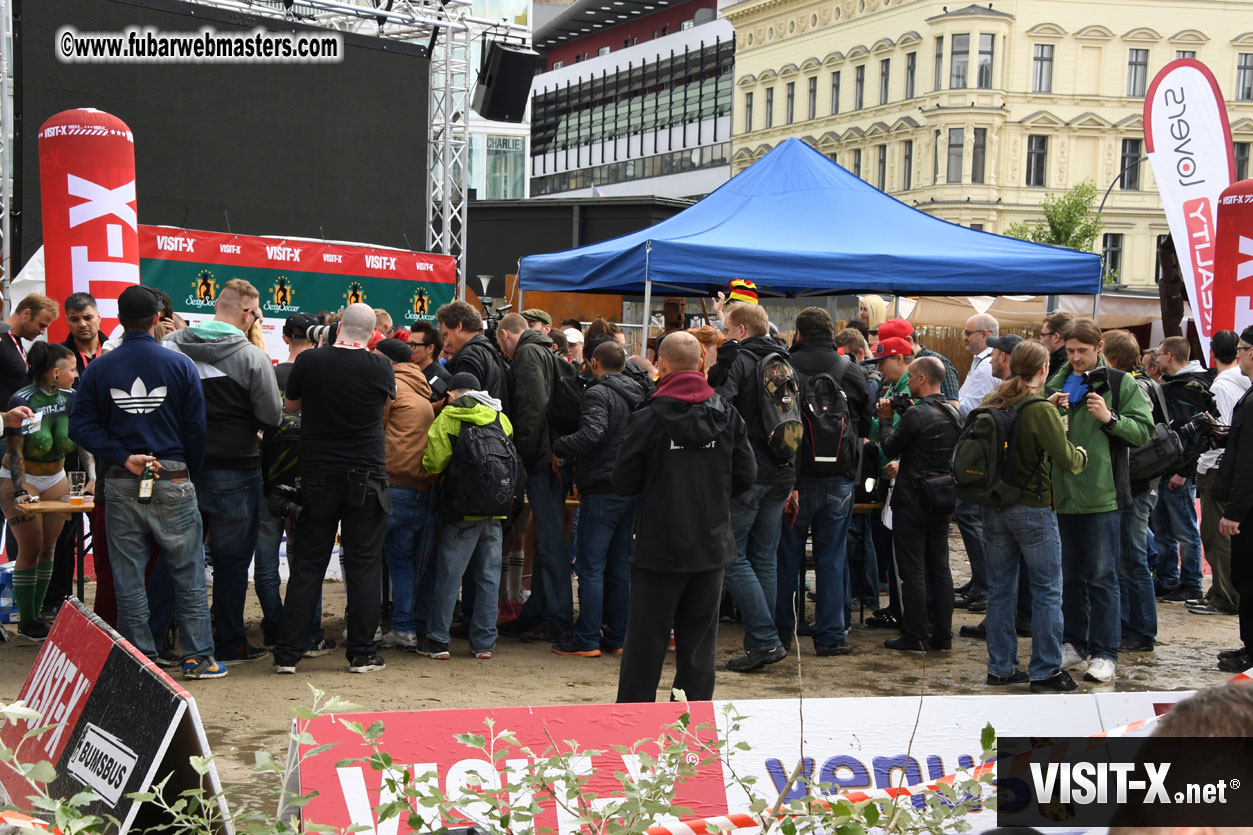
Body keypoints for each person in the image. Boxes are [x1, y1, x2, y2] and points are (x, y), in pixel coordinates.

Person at [68, 286, 224, 679]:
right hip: (172, 476)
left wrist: (122, 456)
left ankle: (139, 660)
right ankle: (197, 657)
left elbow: (79, 427)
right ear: (157, 319)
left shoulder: (100, 367)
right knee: (187, 571)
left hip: (122, 480)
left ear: (117, 321)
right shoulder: (181, 365)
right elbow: (197, 430)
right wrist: (189, 472)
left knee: (128, 574)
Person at [614, 332, 755, 700]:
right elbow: (747, 474)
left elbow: (624, 479)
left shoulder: (648, 418)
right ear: (702, 363)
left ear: (661, 365)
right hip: (708, 545)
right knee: (697, 646)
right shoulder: (727, 414)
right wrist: (711, 495)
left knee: (646, 643)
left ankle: (634, 726)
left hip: (659, 547)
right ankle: (691, 732)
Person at [271, 303, 396, 675]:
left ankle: (287, 655)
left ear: (339, 326)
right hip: (366, 475)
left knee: (307, 565)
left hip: (317, 474)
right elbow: (385, 406)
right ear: (374, 334)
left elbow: (291, 405)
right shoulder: (380, 364)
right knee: (363, 566)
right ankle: (361, 653)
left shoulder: (310, 361)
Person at [164, 278, 282, 663]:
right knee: (231, 564)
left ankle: (162, 640)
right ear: (248, 314)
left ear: (217, 305)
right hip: (235, 468)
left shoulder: (171, 346)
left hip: (180, 467)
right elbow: (271, 415)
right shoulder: (252, 357)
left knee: (177, 556)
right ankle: (230, 642)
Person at [1046, 318, 1153, 684]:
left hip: (1103, 495)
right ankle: (1074, 643)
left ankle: (1105, 652)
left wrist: (1110, 419)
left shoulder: (1121, 383)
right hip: (1062, 495)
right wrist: (1048, 406)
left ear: (1099, 348)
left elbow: (1144, 431)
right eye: (1071, 351)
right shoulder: (1056, 382)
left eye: (1083, 351)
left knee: (1103, 577)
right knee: (1070, 577)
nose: (1076, 358)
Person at [979, 341, 1087, 692]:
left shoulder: (994, 400)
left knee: (1000, 589)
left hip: (993, 507)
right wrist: (1081, 451)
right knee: (1046, 590)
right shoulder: (1039, 409)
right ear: (1043, 370)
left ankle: (1001, 667)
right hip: (1031, 507)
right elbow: (1068, 461)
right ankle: (1044, 670)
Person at [775, 307, 870, 656]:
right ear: (832, 332)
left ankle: (781, 634)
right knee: (832, 558)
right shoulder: (849, 369)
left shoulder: (786, 367)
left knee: (785, 557)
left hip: (794, 477)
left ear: (798, 334)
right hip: (839, 478)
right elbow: (866, 413)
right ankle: (831, 636)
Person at [711, 303, 796, 672]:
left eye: (728, 328)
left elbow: (717, 408)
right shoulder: (785, 360)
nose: (725, 335)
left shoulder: (741, 361)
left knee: (730, 555)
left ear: (741, 330)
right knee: (763, 558)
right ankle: (770, 638)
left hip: (748, 473)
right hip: (782, 471)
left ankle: (763, 639)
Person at [551, 341, 646, 657]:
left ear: (594, 362)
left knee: (591, 566)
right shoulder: (639, 392)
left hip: (603, 487)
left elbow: (592, 433)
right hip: (630, 486)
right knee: (619, 566)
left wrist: (559, 447)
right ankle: (617, 637)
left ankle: (587, 638)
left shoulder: (596, 392)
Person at [421, 371, 515, 660]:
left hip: (460, 510)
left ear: (451, 394)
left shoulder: (448, 417)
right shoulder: (501, 418)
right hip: (495, 509)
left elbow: (434, 462)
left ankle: (438, 641)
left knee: (450, 575)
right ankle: (484, 643)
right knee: (488, 576)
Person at [3, 344, 88, 640]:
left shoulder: (72, 398)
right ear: (55, 372)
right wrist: (17, 491)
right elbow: (15, 453)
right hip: (21, 477)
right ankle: (27, 620)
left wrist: (90, 477)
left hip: (57, 476)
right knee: (31, 547)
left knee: (50, 548)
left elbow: (81, 440)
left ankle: (39, 614)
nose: (76, 375)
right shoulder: (22, 400)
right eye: (72, 369)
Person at [495, 313, 571, 642]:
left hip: (541, 458)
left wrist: (522, 456)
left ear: (506, 336)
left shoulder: (527, 353)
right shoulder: (544, 350)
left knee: (550, 541)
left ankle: (555, 619)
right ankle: (541, 612)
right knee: (547, 540)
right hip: (550, 455)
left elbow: (531, 407)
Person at [877, 356, 960, 653]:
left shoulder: (916, 415)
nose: (908, 382)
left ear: (922, 379)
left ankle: (914, 634)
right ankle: (942, 634)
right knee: (940, 568)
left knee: (912, 570)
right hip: (942, 495)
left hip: (912, 498)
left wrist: (886, 419)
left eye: (911, 377)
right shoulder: (952, 411)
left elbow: (889, 447)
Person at [1101, 330, 1164, 653]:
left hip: (1134, 484)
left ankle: (1140, 630)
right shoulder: (1144, 382)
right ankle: (1134, 626)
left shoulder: (1132, 386)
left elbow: (1134, 433)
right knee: (1130, 555)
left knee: (1131, 558)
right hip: (1140, 482)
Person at [375, 338, 436, 650]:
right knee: (402, 563)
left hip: (389, 485)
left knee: (368, 559)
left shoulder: (391, 388)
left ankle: (368, 627)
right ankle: (404, 629)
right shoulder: (422, 389)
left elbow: (374, 428)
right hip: (418, 488)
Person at [1152, 335, 1215, 602]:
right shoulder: (1176, 385)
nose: (1155, 358)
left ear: (1169, 356)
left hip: (1178, 471)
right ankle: (1168, 579)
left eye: (1158, 353)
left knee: (1184, 530)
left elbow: (1198, 437)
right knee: (1163, 530)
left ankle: (1190, 582)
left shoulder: (1190, 388)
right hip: (1163, 469)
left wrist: (1184, 472)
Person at [1193, 330, 1249, 616]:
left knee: (1219, 536)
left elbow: (1227, 432)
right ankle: (1220, 592)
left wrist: (1211, 428)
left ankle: (1225, 596)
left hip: (1218, 466)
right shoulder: (1243, 383)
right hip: (1225, 467)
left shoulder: (1223, 385)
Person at [953, 313, 1000, 614]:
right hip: (979, 445)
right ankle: (979, 582)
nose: (964, 338)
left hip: (980, 447)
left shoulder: (986, 366)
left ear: (984, 334)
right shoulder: (981, 363)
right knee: (970, 515)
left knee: (969, 515)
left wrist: (952, 405)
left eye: (968, 333)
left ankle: (984, 585)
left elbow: (974, 407)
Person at [1213, 326, 1253, 672]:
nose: (1236, 355)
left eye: (1241, 349)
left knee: (1247, 579)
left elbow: (1249, 463)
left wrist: (1235, 512)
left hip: (1249, 511)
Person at [435, 301, 510, 414]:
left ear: (459, 326)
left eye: (446, 334)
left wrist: (429, 408)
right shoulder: (487, 350)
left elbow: (462, 404)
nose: (445, 343)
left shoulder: (471, 354)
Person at [877, 318, 960, 406]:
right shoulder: (892, 370)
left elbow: (952, 407)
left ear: (908, 341)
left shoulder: (936, 363)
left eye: (890, 345)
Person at [408, 323, 452, 401]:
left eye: (413, 345)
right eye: (407, 344)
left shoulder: (442, 379)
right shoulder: (408, 372)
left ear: (430, 348)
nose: (408, 349)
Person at [1040, 311, 1073, 379]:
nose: (1041, 341)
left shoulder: (1060, 364)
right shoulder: (1069, 361)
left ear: (1056, 337)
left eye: (1043, 335)